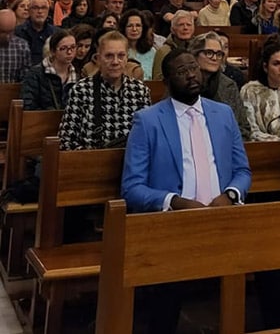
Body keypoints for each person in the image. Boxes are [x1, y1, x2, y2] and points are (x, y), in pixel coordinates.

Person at [120, 48, 251, 333]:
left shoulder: (223, 114)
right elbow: (131, 188)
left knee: (273, 265)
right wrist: (176, 202)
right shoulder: (148, 120)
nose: (191, 75)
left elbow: (242, 171)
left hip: (223, 216)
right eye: (181, 71)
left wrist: (229, 195)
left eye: (193, 67)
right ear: (166, 81)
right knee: (169, 282)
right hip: (174, 223)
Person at [58, 31, 151, 150]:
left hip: (130, 164)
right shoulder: (81, 90)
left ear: (127, 58)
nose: (116, 62)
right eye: (109, 56)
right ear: (98, 58)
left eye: (121, 56)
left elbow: (148, 138)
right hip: (90, 164)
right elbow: (65, 140)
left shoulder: (140, 91)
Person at [189, 32, 250, 139]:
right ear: (195, 55)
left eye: (218, 54)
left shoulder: (229, 85)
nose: (214, 58)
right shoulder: (184, 83)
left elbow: (243, 127)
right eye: (209, 53)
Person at [21, 29, 78, 110]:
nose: (69, 52)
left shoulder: (77, 75)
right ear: (53, 51)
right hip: (41, 121)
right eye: (63, 48)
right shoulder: (35, 74)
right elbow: (28, 104)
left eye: (73, 47)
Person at [152, 10, 196, 79]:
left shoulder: (198, 48)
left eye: (189, 25)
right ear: (172, 29)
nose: (185, 28)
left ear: (193, 29)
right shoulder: (163, 52)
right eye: (181, 25)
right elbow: (158, 81)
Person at [15, 0, 56, 65]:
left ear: (48, 11)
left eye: (43, 8)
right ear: (29, 11)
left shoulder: (56, 33)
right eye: (35, 8)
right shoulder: (17, 32)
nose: (40, 11)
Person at [120, 9, 156, 80]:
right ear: (123, 28)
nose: (134, 29)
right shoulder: (118, 52)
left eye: (138, 25)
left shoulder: (152, 52)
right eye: (130, 26)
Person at [0, 8, 31, 83]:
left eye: (10, 32)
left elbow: (26, 76)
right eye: (3, 32)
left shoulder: (22, 46)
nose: (7, 36)